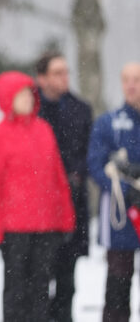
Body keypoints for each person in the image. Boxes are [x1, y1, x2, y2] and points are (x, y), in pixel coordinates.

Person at [0, 70, 76, 322]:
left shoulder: (44, 130)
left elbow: (58, 178)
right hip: (15, 228)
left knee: (42, 286)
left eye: (28, 94)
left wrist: (66, 217)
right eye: (19, 95)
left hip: (46, 226)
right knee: (16, 288)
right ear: (6, 99)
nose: (26, 99)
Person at [35, 51, 93, 322]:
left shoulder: (81, 109)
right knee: (37, 279)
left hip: (72, 203)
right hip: (39, 206)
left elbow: (87, 152)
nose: (64, 78)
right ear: (42, 78)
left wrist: (75, 174)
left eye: (66, 72)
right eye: (57, 72)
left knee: (67, 279)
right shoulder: (32, 109)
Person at [87, 62, 140, 322]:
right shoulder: (108, 123)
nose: (131, 85)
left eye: (137, 79)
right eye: (126, 79)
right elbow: (95, 165)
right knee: (118, 282)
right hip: (121, 215)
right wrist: (125, 187)